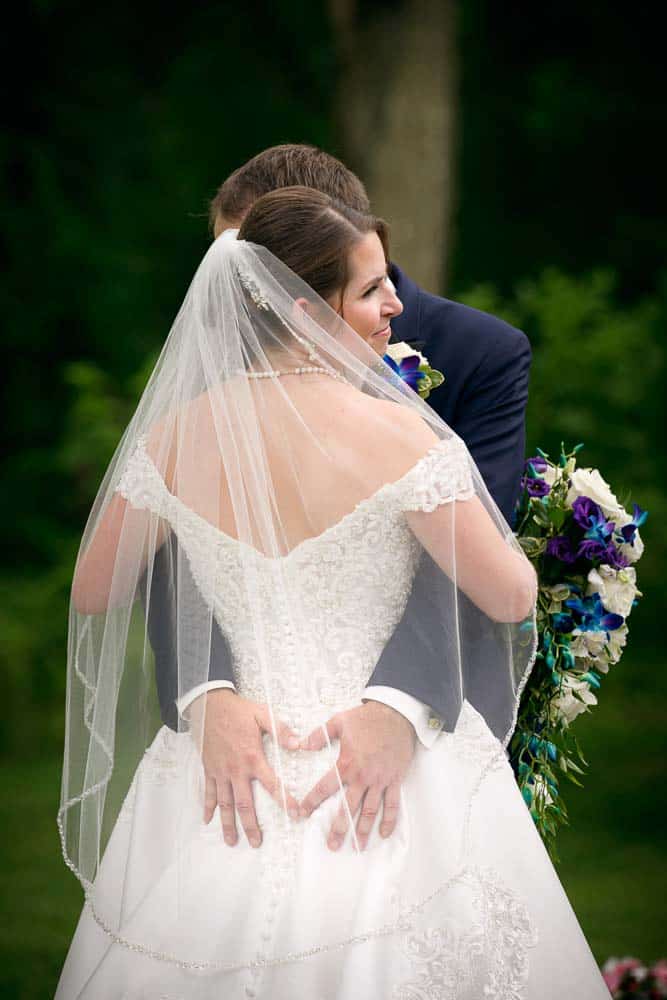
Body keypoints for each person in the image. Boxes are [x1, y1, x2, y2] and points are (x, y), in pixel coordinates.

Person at [56, 186, 610, 998]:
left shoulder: (173, 436)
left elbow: (95, 591)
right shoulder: (401, 436)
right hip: (379, 776)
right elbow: (510, 599)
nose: (392, 307)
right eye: (367, 290)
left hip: (227, 773)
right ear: (308, 310)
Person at [146, 145, 534, 859]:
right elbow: (171, 548)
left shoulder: (478, 351)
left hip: (415, 723)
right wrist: (203, 691)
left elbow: (472, 555)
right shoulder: (219, 356)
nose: (240, 288)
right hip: (243, 732)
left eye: (258, 258)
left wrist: (400, 703)